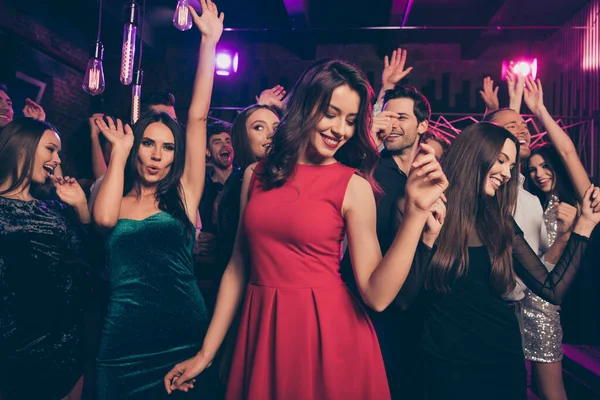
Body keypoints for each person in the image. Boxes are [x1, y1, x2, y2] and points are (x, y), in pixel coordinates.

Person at [164, 58, 448, 399]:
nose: (340, 129)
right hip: (261, 327)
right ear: (304, 106)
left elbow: (377, 293)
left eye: (351, 120)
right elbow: (238, 268)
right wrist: (207, 353)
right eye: (331, 113)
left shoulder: (353, 186)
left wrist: (416, 214)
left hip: (326, 333)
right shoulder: (255, 175)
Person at [405, 122, 599, 399]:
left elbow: (551, 289)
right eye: (501, 160)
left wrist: (586, 225)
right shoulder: (428, 209)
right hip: (443, 362)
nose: (507, 173)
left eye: (511, 165)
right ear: (475, 154)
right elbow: (403, 298)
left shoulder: (499, 221)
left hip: (501, 360)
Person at [92, 1, 223, 398]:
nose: (156, 155)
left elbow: (198, 117)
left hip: (182, 334)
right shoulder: (113, 194)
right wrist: (118, 151)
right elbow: (101, 221)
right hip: (122, 341)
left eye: (167, 147)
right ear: (136, 148)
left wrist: (209, 43)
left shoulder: (184, 194)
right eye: (147, 144)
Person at [0, 118, 92, 400]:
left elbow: (90, 260)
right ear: (22, 147)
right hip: (15, 354)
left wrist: (80, 206)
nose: (57, 159)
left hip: (66, 348)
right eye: (51, 149)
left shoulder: (54, 208)